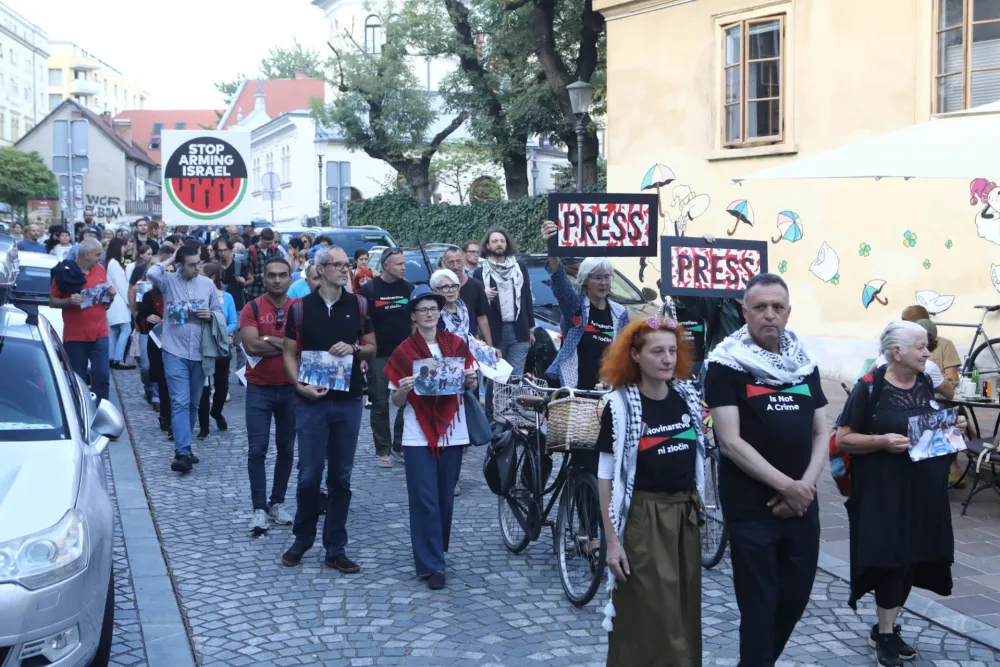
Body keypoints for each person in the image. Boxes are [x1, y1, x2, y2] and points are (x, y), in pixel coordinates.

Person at [705, 272, 828, 667]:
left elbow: (823, 431)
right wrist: (786, 487)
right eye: (760, 307)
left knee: (794, 599)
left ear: (789, 313)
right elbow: (729, 440)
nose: (769, 315)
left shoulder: (803, 363)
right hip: (752, 511)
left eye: (778, 307)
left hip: (801, 507)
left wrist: (803, 488)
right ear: (745, 312)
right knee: (759, 609)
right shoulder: (725, 364)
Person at [837, 321, 960, 667]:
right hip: (883, 492)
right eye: (921, 347)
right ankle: (887, 634)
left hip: (923, 490)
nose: (927, 352)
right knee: (892, 558)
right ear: (897, 352)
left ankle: (886, 628)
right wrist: (881, 441)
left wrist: (953, 425)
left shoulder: (923, 381)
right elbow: (844, 438)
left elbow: (928, 424)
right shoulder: (869, 387)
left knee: (914, 558)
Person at [596, 317, 706, 666]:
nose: (668, 359)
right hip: (644, 518)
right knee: (649, 614)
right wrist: (612, 542)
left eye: (673, 351)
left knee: (683, 609)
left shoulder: (687, 397)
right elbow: (605, 477)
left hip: (684, 518)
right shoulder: (619, 406)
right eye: (657, 351)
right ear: (635, 355)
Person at [280, 245, 376, 571]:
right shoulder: (301, 308)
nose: (344, 269)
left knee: (341, 476)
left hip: (348, 401)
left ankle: (335, 547)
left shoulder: (359, 305)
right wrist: (298, 385)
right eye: (336, 264)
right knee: (308, 475)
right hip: (312, 402)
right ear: (320, 270)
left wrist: (354, 348)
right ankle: (302, 537)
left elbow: (373, 348)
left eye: (346, 264)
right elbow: (289, 353)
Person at [387, 284, 478, 590]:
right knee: (424, 498)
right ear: (413, 315)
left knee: (443, 498)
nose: (429, 314)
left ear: (440, 313)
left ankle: (436, 550)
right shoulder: (404, 350)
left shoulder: (455, 343)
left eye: (433, 309)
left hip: (453, 429)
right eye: (423, 309)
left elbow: (469, 386)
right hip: (417, 433)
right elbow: (396, 402)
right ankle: (432, 564)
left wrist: (471, 379)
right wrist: (404, 389)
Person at [147, 244, 222, 474]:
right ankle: (182, 450)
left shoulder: (207, 284)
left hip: (200, 352)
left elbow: (218, 312)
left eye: (198, 262)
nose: (197, 267)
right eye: (191, 264)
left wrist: (209, 314)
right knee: (179, 401)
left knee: (193, 402)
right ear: (180, 265)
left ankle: (186, 447)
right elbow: (152, 273)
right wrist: (171, 258)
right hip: (173, 350)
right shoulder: (168, 281)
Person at [241, 257, 298, 534]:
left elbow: (303, 348)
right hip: (259, 388)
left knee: (287, 449)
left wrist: (269, 340)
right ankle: (259, 508)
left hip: (291, 388)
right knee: (257, 450)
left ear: (290, 278)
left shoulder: (298, 309)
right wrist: (287, 346)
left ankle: (278, 502)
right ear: (264, 278)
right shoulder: (251, 307)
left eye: (282, 275)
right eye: (272, 275)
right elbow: (251, 347)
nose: (277, 280)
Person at [540, 221, 629, 390]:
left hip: (607, 386)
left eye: (607, 277)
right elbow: (560, 284)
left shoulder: (620, 312)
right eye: (597, 278)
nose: (603, 283)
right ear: (585, 280)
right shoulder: (576, 306)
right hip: (574, 385)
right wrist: (552, 247)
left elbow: (624, 351)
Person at [358, 247, 414, 468]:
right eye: (399, 264)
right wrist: (362, 353)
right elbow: (360, 325)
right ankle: (383, 449)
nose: (403, 267)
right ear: (386, 266)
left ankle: (400, 445)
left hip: (404, 354)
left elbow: (414, 321)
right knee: (380, 401)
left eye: (404, 263)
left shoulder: (409, 289)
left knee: (407, 401)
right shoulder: (369, 291)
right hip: (378, 354)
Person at [48, 237, 115, 403]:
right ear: (87, 254)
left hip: (100, 331)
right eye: (98, 254)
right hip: (75, 336)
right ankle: (80, 412)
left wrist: (110, 296)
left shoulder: (100, 269)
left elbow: (104, 298)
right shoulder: (64, 272)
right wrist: (68, 301)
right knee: (78, 379)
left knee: (102, 375)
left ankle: (102, 414)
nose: (101, 257)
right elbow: (52, 301)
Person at [473, 228, 535, 378]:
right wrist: (483, 295)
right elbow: (477, 308)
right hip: (494, 332)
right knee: (497, 379)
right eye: (495, 241)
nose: (499, 244)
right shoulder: (480, 272)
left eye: (502, 241)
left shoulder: (520, 267)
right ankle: (493, 403)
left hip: (519, 330)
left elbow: (526, 297)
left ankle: (512, 402)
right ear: (487, 246)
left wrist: (531, 329)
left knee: (515, 377)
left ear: (507, 244)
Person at [197, 262, 237, 439]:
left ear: (211, 277)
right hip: (202, 346)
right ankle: (203, 426)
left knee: (222, 387)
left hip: (221, 346)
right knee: (204, 387)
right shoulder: (198, 296)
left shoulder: (227, 297)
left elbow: (234, 322)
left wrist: (224, 333)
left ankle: (217, 411)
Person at [138, 249, 174, 432]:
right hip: (157, 343)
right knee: (162, 380)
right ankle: (165, 416)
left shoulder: (177, 292)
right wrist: (147, 319)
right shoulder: (148, 296)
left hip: (176, 342)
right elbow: (140, 319)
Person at [439, 246, 492, 344]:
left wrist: (490, 346)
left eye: (459, 261)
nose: (455, 266)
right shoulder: (437, 288)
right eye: (451, 262)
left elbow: (482, 318)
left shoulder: (476, 285)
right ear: (444, 263)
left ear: (464, 261)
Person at [901, 305, 961, 388]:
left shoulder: (945, 344)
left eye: (905, 321)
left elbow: (953, 380)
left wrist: (935, 379)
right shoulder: (901, 345)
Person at [104, 238, 136, 371]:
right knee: (126, 330)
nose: (125, 249)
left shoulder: (110, 263)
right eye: (123, 246)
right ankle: (118, 359)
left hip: (114, 302)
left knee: (113, 331)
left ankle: (111, 357)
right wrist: (130, 301)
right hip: (119, 301)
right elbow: (121, 285)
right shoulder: (115, 264)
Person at [430, 269, 472, 342]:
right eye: (445, 287)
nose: (451, 290)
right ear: (435, 291)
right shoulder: (432, 314)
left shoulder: (466, 309)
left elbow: (474, 336)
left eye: (454, 286)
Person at [246, 229, 282, 301]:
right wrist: (261, 276)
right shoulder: (251, 251)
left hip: (271, 292)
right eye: (267, 243)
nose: (269, 246)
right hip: (255, 292)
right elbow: (246, 275)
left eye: (271, 243)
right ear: (261, 238)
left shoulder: (275, 250)